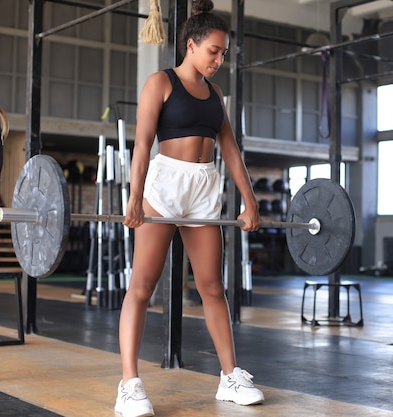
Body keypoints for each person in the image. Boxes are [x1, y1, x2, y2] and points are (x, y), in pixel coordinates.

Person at [115, 1, 265, 416]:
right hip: (162, 189)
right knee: (142, 287)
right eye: (214, 51)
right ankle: (129, 384)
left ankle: (230, 377)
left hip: (202, 189)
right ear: (191, 45)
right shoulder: (160, 83)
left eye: (224, 53)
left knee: (212, 287)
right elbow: (143, 144)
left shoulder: (216, 94)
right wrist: (134, 197)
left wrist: (249, 200)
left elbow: (230, 149)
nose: (220, 60)